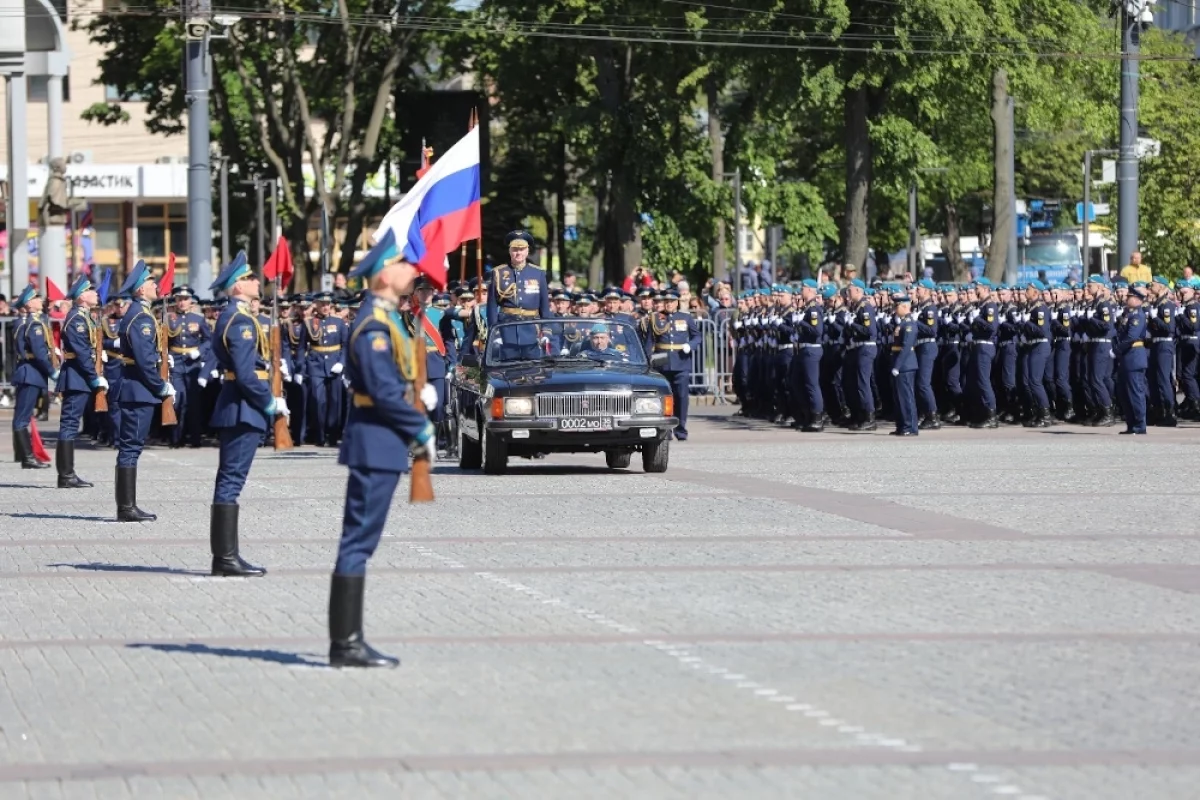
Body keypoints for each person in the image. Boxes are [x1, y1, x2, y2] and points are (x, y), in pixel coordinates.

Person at [330, 235, 437, 668]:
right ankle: (346, 643)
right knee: (358, 541)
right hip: (376, 441)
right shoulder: (373, 324)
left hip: (380, 440)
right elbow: (379, 388)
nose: (412, 272)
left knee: (361, 541)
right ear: (382, 276)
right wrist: (419, 427)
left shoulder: (386, 318)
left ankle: (348, 640)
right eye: (403, 265)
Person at [206, 252, 286, 577]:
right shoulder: (239, 320)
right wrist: (269, 402)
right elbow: (245, 372)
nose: (257, 282)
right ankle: (225, 558)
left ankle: (226, 556)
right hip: (242, 408)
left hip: (238, 405)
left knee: (230, 479)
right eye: (251, 277)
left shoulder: (234, 316)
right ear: (238, 285)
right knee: (231, 481)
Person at [114, 260, 174, 522]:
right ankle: (126, 507)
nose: (155, 285)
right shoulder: (140, 318)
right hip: (138, 390)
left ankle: (127, 506)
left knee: (132, 447)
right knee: (130, 448)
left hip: (137, 388)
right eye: (150, 282)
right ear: (140, 291)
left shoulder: (141, 314)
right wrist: (160, 386)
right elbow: (142, 359)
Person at [55, 276, 107, 488]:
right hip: (76, 378)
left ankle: (67, 473)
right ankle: (66, 475)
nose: (96, 294)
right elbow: (82, 353)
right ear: (82, 297)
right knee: (69, 425)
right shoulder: (76, 319)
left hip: (79, 377)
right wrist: (94, 378)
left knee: (70, 425)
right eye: (91, 291)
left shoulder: (84, 317)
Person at [644, 288, 700, 440]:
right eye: (666, 301)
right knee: (663, 397)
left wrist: (690, 346)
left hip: (681, 361)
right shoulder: (655, 318)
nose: (668, 304)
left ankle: (681, 429)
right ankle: (665, 430)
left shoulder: (686, 317)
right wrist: (648, 359)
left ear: (677, 302)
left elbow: (697, 337)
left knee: (681, 397)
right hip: (662, 362)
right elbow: (650, 342)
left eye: (671, 301)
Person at [486, 230, 550, 360]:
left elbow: (544, 305)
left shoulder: (538, 273)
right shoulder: (498, 272)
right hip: (506, 330)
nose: (518, 253)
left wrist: (547, 330)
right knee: (508, 372)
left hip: (531, 330)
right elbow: (492, 306)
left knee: (532, 372)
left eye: (522, 249)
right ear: (510, 251)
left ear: (527, 251)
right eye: (515, 249)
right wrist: (495, 332)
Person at [9, 285, 54, 469]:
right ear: (29, 304)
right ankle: (27, 458)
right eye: (36, 298)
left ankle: (23, 454)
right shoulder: (32, 324)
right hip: (30, 373)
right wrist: (52, 371)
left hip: (28, 372)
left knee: (22, 416)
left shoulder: (29, 322)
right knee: (22, 417)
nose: (40, 300)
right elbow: (38, 352)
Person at [1115, 286, 1149, 434]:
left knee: (1135, 391)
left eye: (1129, 297)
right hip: (1126, 357)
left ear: (1137, 299)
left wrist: (1116, 350)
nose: (1127, 299)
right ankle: (1131, 424)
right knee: (1124, 392)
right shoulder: (1127, 314)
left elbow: (1131, 337)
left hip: (1134, 355)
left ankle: (1140, 425)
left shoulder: (1138, 316)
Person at [889, 294, 919, 436]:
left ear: (905, 306)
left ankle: (910, 427)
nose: (895, 309)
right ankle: (901, 425)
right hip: (899, 363)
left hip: (905, 365)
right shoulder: (902, 323)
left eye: (897, 306)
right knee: (898, 397)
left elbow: (907, 347)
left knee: (906, 397)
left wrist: (897, 366)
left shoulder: (909, 324)